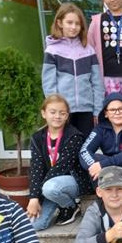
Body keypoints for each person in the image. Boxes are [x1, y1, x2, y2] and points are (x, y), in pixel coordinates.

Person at [27, 94, 91, 230]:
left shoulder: (74, 136)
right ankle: (60, 203)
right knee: (34, 225)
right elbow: (36, 168)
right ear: (44, 113)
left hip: (72, 182)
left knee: (50, 188)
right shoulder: (37, 138)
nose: (57, 116)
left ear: (67, 116)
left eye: (62, 113)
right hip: (49, 185)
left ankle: (70, 206)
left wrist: (37, 195)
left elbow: (60, 168)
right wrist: (33, 198)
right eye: (53, 112)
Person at [42, 2, 104, 139]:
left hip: (86, 110)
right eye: (69, 22)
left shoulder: (88, 50)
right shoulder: (52, 51)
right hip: (63, 111)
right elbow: (49, 84)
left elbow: (97, 83)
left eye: (77, 23)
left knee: (85, 146)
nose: (74, 27)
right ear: (60, 23)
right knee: (65, 146)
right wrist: (55, 109)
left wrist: (97, 111)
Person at [79, 92, 122, 198]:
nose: (117, 112)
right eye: (112, 110)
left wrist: (104, 164)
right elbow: (84, 151)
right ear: (106, 113)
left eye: (121, 109)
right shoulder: (100, 129)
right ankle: (103, 205)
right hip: (107, 169)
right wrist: (95, 166)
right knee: (95, 163)